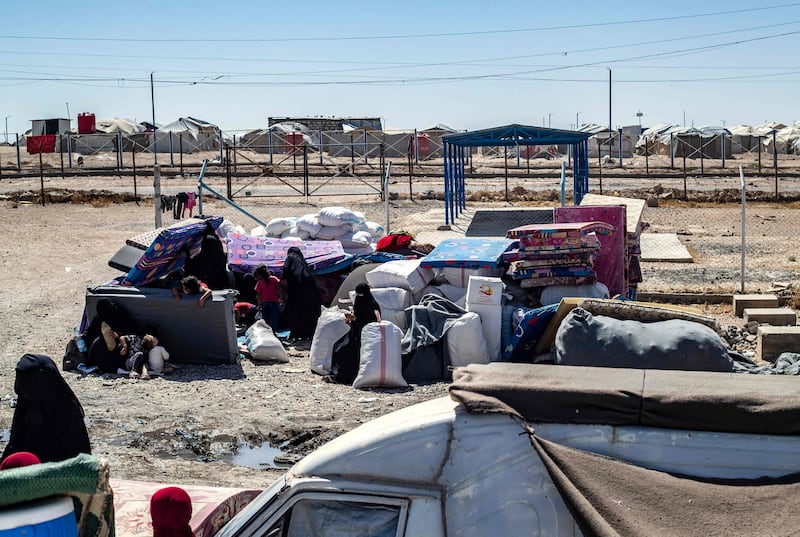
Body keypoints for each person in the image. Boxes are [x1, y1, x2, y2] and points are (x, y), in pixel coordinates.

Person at [1, 354, 91, 464]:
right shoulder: (25, 404)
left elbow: (76, 456)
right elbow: (15, 444)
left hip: (63, 473)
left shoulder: (67, 410)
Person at [331, 283, 381, 385]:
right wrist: (351, 320)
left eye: (361, 295)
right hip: (356, 336)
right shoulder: (361, 303)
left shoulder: (373, 306)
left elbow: (371, 321)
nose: (359, 297)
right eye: (357, 295)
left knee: (348, 354)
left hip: (366, 338)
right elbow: (358, 319)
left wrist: (354, 321)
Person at [280, 247, 322, 341]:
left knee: (296, 310)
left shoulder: (291, 257)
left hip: (297, 286)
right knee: (308, 310)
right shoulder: (302, 262)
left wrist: (282, 279)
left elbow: (286, 269)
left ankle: (296, 333)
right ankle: (308, 333)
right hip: (310, 288)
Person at [253, 264, 281, 331]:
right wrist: (280, 298)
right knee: (274, 318)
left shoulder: (260, 282)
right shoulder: (274, 279)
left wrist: (259, 304)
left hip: (264, 302)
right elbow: (279, 289)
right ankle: (273, 331)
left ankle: (267, 332)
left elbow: (258, 295)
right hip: (274, 301)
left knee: (265, 319)